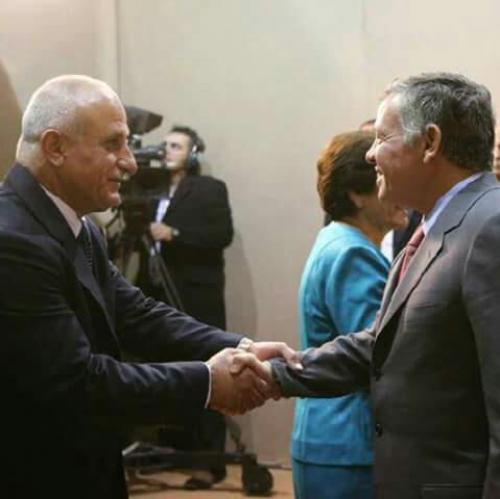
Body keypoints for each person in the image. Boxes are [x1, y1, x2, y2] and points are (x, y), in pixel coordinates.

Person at [0, 74, 293, 499]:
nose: (131, 163)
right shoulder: (12, 240)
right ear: (55, 147)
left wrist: (242, 347)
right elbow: (80, 382)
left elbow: (135, 313)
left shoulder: (81, 226)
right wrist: (208, 382)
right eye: (113, 144)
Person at [267, 73, 500, 498]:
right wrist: (273, 373)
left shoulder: (489, 226)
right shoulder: (437, 225)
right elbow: (383, 344)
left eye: (381, 138)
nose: (370, 154)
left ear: (429, 142)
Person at [292, 130, 408, 499]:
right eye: (386, 178)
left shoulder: (339, 241)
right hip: (347, 441)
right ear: (357, 194)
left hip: (332, 437)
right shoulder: (352, 253)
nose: (401, 191)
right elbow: (380, 354)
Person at [143, 125, 233, 489]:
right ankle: (174, 452)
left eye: (176, 146)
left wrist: (174, 234)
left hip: (196, 296)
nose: (167, 150)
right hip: (157, 296)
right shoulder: (149, 190)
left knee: (208, 372)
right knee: (168, 375)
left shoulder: (210, 189)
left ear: (193, 152)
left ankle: (209, 463)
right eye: (165, 145)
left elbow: (221, 235)